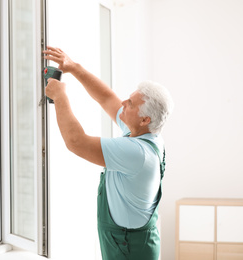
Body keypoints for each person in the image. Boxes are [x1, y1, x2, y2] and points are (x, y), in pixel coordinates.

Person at [43, 46, 174, 260]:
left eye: (130, 104)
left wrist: (60, 96)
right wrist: (73, 67)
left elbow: (76, 142)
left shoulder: (137, 153)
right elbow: (106, 98)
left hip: (131, 249)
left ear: (145, 119)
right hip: (124, 242)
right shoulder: (144, 133)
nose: (123, 103)